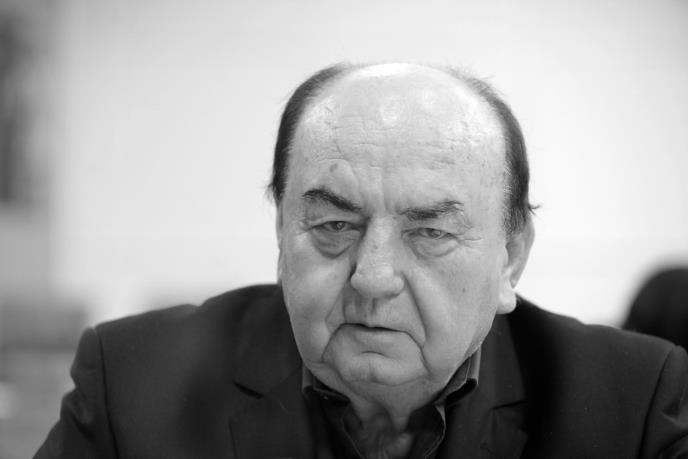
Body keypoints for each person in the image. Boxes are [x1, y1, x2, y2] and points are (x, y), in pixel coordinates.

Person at [35, 63, 688, 458]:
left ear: (511, 258)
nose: (373, 277)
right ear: (282, 233)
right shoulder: (133, 386)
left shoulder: (630, 405)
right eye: (333, 225)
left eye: (430, 232)